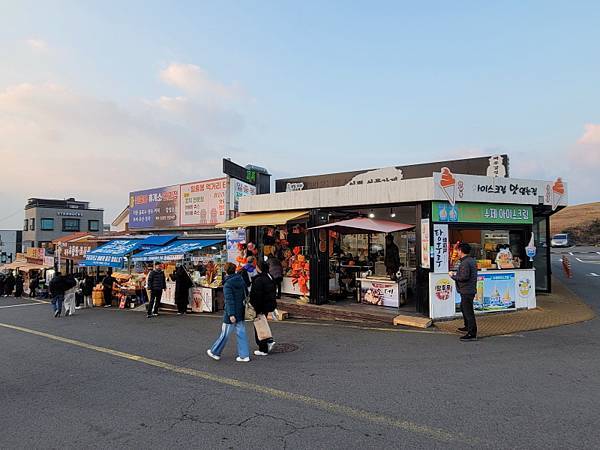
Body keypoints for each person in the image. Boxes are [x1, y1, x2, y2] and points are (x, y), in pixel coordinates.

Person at [207, 263, 250, 362]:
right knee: (241, 332)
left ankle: (215, 352)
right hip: (241, 309)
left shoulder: (227, 283)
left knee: (225, 333)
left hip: (231, 312)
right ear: (234, 270)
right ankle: (244, 355)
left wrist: (231, 314)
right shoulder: (241, 279)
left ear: (225, 271)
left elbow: (229, 300)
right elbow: (246, 293)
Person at [450, 242, 478, 341]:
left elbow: (464, 277)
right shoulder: (470, 260)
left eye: (457, 250)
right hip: (468, 289)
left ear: (460, 251)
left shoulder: (465, 262)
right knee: (463, 307)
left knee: (468, 311)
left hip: (467, 290)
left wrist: (453, 276)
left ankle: (472, 333)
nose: (456, 252)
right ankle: (467, 326)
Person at [250, 261, 277, 356]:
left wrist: (255, 308)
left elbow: (256, 296)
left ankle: (263, 348)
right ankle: (269, 341)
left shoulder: (259, 280)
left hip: (260, 306)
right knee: (263, 323)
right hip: (268, 305)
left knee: (259, 326)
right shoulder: (270, 277)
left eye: (257, 267)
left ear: (259, 268)